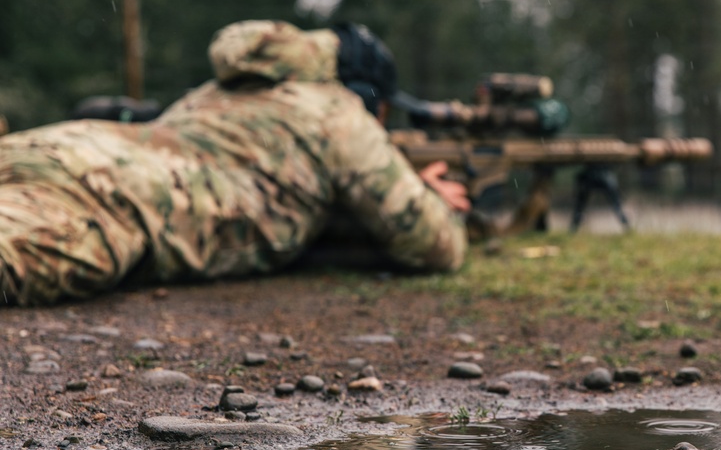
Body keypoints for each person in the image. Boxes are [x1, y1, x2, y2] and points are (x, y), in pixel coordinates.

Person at [0, 20, 469, 306]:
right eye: (381, 112)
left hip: (50, 147)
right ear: (364, 95)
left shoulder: (214, 93)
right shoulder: (337, 112)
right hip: (106, 196)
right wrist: (429, 199)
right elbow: (434, 246)